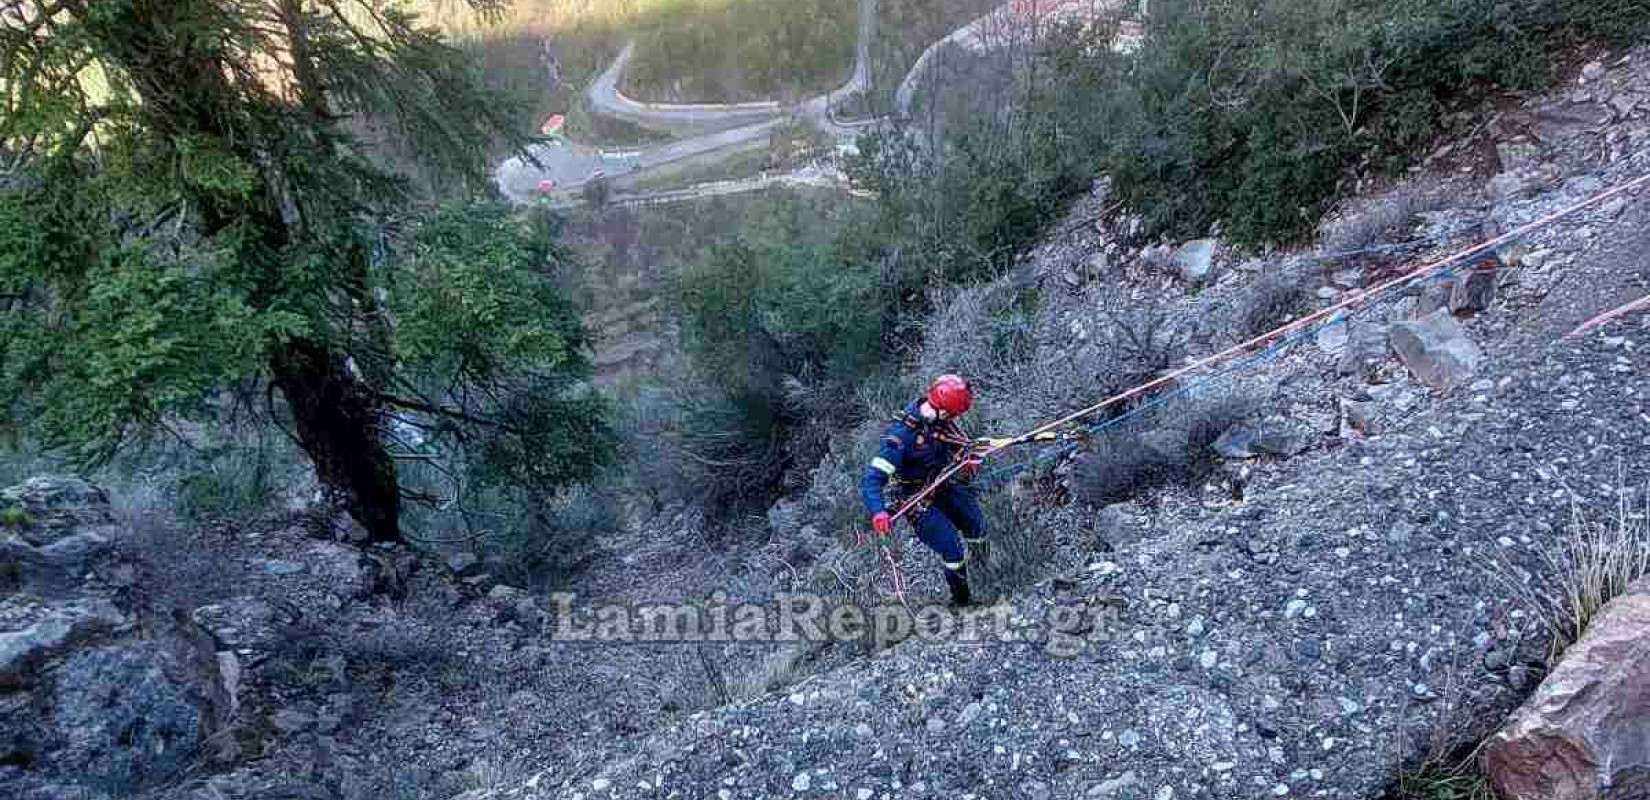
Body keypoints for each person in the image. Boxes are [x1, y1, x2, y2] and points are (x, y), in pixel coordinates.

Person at [859, 374, 987, 607]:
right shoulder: (899, 439)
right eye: (954, 414)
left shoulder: (940, 420)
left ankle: (985, 572)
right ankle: (962, 602)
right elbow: (872, 480)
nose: (955, 419)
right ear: (945, 410)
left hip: (942, 484)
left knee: (976, 524)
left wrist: (968, 459)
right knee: (952, 550)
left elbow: (957, 442)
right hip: (915, 499)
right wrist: (878, 512)